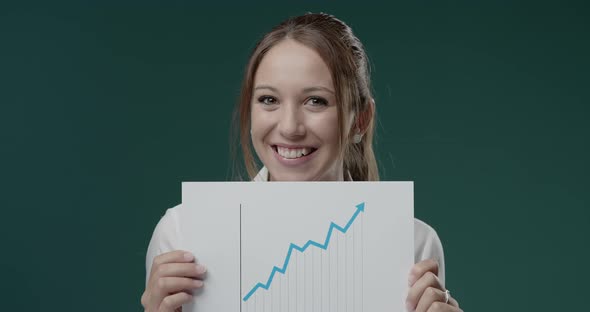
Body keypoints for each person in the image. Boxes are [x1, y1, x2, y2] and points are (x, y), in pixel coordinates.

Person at [141, 12, 463, 312]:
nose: (289, 127)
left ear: (360, 120)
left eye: (316, 101)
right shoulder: (182, 233)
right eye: (269, 100)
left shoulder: (414, 243)